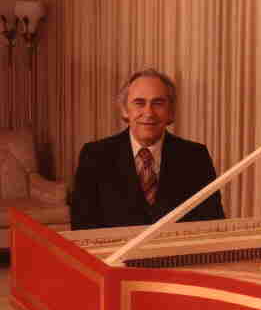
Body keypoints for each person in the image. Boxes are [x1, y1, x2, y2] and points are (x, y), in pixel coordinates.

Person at [70, 68, 225, 230]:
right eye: (139, 103)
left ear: (171, 112)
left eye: (158, 103)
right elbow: (82, 227)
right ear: (125, 110)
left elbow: (213, 224)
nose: (149, 112)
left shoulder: (195, 157)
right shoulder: (95, 156)